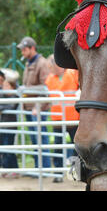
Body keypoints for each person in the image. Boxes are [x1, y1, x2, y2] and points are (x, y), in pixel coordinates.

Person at [17, 36, 51, 171]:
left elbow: (45, 88)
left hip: (38, 108)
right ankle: (38, 168)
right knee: (34, 140)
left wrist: (38, 106)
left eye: (24, 49)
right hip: (28, 107)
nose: (22, 52)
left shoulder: (42, 63)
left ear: (32, 48)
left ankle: (45, 168)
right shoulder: (28, 63)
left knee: (41, 139)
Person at [45, 55, 79, 183]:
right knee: (58, 146)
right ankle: (58, 173)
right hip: (57, 119)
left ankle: (74, 173)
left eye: (51, 66)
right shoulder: (50, 79)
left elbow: (80, 89)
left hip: (73, 118)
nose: (50, 69)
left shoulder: (72, 74)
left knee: (76, 147)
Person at [0, 69, 20, 178]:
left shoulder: (14, 97)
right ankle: (6, 168)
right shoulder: (3, 96)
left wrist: (2, 108)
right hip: (3, 126)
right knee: (4, 148)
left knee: (9, 148)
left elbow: (11, 106)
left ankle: (12, 169)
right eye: (4, 86)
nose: (4, 88)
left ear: (12, 87)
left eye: (7, 86)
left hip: (11, 126)